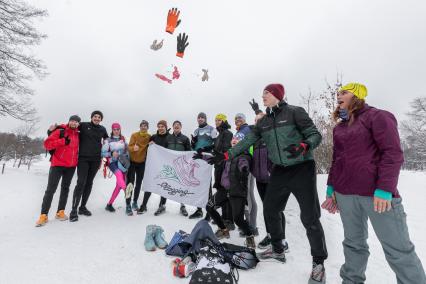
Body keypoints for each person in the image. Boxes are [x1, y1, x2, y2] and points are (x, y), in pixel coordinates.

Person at [207, 84, 327, 283]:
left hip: (302, 167)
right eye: (262, 93)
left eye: (266, 93)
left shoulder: (295, 112)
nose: (262, 96)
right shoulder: (264, 122)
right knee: (270, 209)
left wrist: (304, 146)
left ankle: (319, 263)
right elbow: (246, 142)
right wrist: (226, 155)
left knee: (310, 216)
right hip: (279, 169)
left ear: (277, 95)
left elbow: (315, 134)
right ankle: (278, 249)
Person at [322, 83, 426, 284]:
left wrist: (385, 189)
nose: (338, 96)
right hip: (345, 195)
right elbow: (337, 160)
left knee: (398, 249)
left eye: (344, 92)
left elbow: (392, 153)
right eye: (337, 93)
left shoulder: (378, 116)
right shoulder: (340, 128)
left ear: (358, 95)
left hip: (376, 195)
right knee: (353, 244)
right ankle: (351, 280)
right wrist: (331, 187)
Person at [203, 133, 256, 249]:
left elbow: (244, 162)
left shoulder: (244, 155)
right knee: (209, 207)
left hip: (237, 191)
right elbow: (214, 158)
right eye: (234, 139)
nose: (234, 140)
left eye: (238, 139)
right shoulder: (227, 155)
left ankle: (249, 236)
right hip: (224, 190)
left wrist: (244, 168)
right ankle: (224, 229)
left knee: (238, 219)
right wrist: (201, 156)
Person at [36, 115, 81, 227]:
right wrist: (62, 141)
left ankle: (60, 212)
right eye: (72, 121)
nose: (74, 123)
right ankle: (43, 215)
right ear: (69, 121)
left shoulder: (78, 134)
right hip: (57, 165)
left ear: (78, 124)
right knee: (50, 189)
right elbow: (47, 144)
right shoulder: (60, 131)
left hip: (71, 167)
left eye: (76, 122)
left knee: (65, 189)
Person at [68, 110, 108, 222]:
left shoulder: (102, 129)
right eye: (95, 116)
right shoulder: (83, 125)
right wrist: (53, 129)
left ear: (101, 119)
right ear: (91, 117)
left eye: (99, 117)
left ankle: (82, 207)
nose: (97, 118)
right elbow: (71, 127)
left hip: (95, 160)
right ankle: (74, 210)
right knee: (81, 182)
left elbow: (107, 140)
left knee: (89, 183)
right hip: (83, 159)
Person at [188, 112, 218, 219]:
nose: (200, 119)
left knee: (207, 185)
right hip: (198, 159)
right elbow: (194, 146)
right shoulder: (196, 131)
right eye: (199, 117)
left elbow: (216, 144)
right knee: (197, 183)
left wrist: (206, 149)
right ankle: (199, 210)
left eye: (202, 117)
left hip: (207, 159)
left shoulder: (211, 129)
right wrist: (192, 143)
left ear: (205, 119)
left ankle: (209, 212)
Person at [139, 120, 171, 216]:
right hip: (154, 165)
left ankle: (162, 205)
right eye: (159, 126)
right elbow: (148, 149)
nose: (161, 128)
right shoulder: (153, 137)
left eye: (162, 126)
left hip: (165, 165)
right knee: (150, 183)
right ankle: (144, 205)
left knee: (164, 185)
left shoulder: (170, 137)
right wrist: (150, 145)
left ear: (166, 127)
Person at [234, 113, 258, 237]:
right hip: (239, 165)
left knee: (248, 195)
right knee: (246, 194)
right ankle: (249, 224)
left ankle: (252, 227)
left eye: (240, 118)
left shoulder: (248, 129)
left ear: (244, 119)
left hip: (248, 164)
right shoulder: (237, 132)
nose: (238, 120)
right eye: (236, 119)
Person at [102, 123, 131, 215]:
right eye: (114, 129)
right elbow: (102, 153)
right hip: (112, 163)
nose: (116, 131)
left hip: (122, 163)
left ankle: (109, 204)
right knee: (119, 175)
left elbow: (127, 150)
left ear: (120, 129)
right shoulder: (108, 140)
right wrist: (111, 154)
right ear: (112, 130)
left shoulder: (123, 139)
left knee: (118, 185)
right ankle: (126, 190)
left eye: (118, 129)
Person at [212, 114, 234, 230]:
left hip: (225, 166)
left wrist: (218, 156)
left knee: (226, 193)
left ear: (224, 121)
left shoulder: (228, 133)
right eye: (215, 120)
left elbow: (226, 151)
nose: (216, 122)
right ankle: (224, 217)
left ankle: (229, 220)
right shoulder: (219, 134)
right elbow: (216, 149)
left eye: (219, 120)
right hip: (218, 166)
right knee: (221, 191)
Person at [166, 120, 192, 216]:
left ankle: (182, 206)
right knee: (165, 184)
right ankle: (162, 204)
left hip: (180, 166)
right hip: (169, 166)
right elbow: (163, 150)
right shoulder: (168, 138)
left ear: (181, 127)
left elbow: (188, 152)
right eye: (175, 125)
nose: (176, 127)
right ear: (173, 127)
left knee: (181, 186)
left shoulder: (185, 139)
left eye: (178, 125)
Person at [127, 120, 151, 211]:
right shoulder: (134, 135)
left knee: (138, 184)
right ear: (140, 127)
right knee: (130, 183)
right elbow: (129, 147)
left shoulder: (149, 137)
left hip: (142, 163)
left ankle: (135, 202)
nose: (143, 127)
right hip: (132, 162)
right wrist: (133, 148)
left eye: (145, 126)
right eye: (142, 125)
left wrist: (152, 143)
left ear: (147, 128)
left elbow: (154, 142)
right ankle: (128, 203)